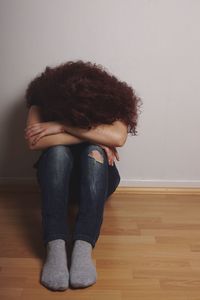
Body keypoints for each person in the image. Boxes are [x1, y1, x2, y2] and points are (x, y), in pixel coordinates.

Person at [24, 60, 142, 291]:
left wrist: (61, 127)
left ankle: (83, 245)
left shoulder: (111, 103)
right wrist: (95, 135)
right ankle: (55, 245)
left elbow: (118, 138)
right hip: (58, 185)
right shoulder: (39, 105)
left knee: (94, 152)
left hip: (98, 182)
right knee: (58, 152)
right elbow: (35, 142)